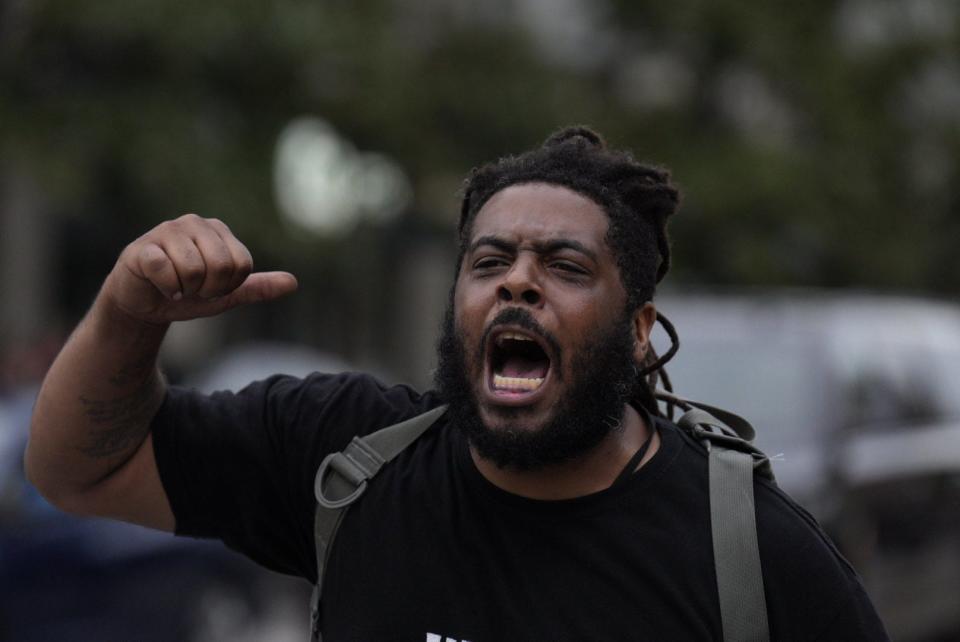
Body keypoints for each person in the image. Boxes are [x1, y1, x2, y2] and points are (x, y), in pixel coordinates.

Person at [26, 127, 889, 640]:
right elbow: (79, 469)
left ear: (637, 329)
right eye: (489, 261)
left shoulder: (745, 550)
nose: (517, 281)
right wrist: (128, 315)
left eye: (563, 264)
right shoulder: (348, 459)